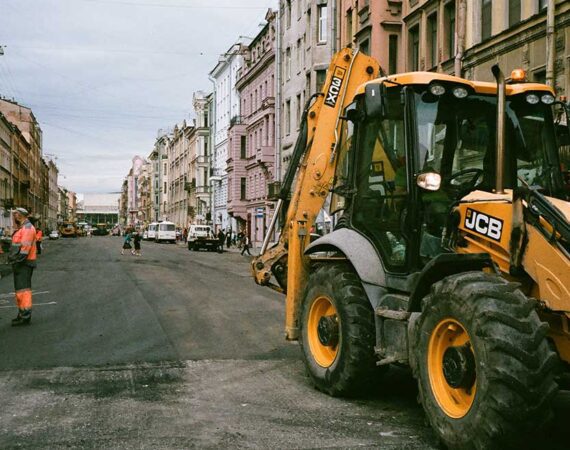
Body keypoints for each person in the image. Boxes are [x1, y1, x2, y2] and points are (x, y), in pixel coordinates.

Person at [8, 208, 37, 326]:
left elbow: (25, 249)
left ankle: (25, 316)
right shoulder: (23, 228)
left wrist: (17, 261)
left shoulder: (27, 228)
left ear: (20, 216)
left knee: (23, 291)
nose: (14, 217)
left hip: (23, 263)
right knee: (20, 291)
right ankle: (22, 314)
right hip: (21, 263)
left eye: (15, 215)